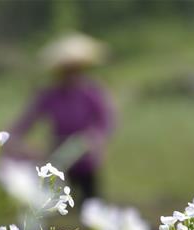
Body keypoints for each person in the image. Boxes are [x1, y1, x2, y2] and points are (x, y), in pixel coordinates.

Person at [7, 32, 115, 202]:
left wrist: (95, 138)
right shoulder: (49, 95)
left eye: (75, 70)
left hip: (85, 157)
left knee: (91, 201)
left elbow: (106, 120)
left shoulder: (92, 92)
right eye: (66, 71)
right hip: (58, 157)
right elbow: (25, 122)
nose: (71, 75)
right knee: (57, 201)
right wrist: (16, 141)